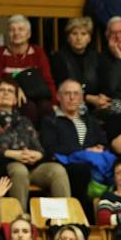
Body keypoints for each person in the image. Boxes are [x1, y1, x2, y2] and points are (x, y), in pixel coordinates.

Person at [0, 77, 71, 211]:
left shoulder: (24, 121)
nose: (6, 93)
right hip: (0, 168)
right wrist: (13, 154)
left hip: (29, 166)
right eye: (1, 90)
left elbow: (39, 148)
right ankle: (20, 218)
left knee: (57, 170)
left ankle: (63, 220)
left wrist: (36, 154)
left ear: (15, 99)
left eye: (10, 91)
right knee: (19, 170)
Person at [40, 79, 110, 219]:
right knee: (82, 170)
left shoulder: (91, 121)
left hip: (93, 166)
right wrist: (84, 153)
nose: (72, 98)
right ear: (58, 97)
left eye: (76, 94)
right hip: (66, 166)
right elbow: (51, 148)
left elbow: (103, 143)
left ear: (81, 98)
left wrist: (98, 149)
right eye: (67, 93)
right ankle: (84, 218)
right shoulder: (50, 121)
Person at [0, 14, 57, 126]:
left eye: (20, 29)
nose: (16, 33)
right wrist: (15, 88)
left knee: (46, 107)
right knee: (28, 107)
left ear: (28, 34)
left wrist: (54, 102)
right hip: (12, 97)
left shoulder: (38, 52)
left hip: (36, 94)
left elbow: (47, 79)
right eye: (12, 30)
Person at [49, 17, 108, 112]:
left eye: (83, 34)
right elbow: (61, 88)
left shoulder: (97, 57)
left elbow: (105, 84)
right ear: (68, 37)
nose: (79, 38)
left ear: (89, 38)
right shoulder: (58, 58)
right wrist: (88, 98)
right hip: (69, 106)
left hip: (96, 106)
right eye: (74, 34)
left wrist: (101, 98)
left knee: (116, 109)